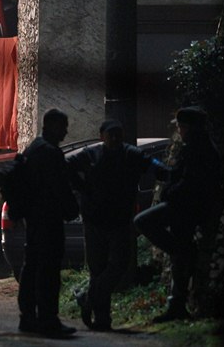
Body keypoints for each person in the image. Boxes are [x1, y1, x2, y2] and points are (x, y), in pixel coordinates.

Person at [66, 119, 169, 331]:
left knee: (120, 265)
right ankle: (103, 319)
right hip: (94, 220)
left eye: (118, 134)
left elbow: (153, 166)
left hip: (120, 221)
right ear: (102, 136)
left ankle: (88, 298)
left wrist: (170, 173)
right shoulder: (91, 154)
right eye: (110, 134)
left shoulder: (131, 154)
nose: (114, 138)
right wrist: (82, 188)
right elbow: (67, 167)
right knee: (98, 268)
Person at [133, 106, 222, 323]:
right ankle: (177, 304)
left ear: (188, 127)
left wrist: (168, 192)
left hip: (186, 208)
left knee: (143, 221)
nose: (179, 131)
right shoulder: (196, 146)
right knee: (179, 255)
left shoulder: (198, 148)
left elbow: (190, 182)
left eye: (181, 126)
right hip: (187, 207)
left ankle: (182, 254)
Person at [17, 108, 79, 336]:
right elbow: (59, 187)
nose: (65, 132)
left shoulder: (33, 148)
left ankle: (28, 317)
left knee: (32, 267)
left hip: (33, 219)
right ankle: (48, 320)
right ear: (52, 126)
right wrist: (72, 209)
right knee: (48, 271)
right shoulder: (50, 153)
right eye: (63, 127)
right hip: (48, 219)